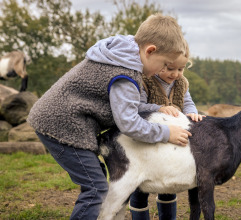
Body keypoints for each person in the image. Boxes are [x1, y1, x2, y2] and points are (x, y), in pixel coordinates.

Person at [27, 14, 192, 220]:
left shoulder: (122, 53)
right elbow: (129, 123)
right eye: (164, 64)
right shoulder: (126, 75)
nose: (162, 70)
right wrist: (166, 132)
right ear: (150, 50)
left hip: (61, 120)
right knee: (96, 189)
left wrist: (157, 110)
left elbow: (130, 109)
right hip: (62, 126)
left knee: (96, 179)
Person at [129, 43, 205, 220]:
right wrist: (158, 108)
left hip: (171, 143)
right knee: (141, 187)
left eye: (181, 68)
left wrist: (192, 113)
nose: (175, 74)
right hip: (146, 141)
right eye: (170, 68)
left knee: (168, 184)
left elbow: (187, 103)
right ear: (159, 63)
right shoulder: (144, 81)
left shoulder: (182, 83)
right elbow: (138, 106)